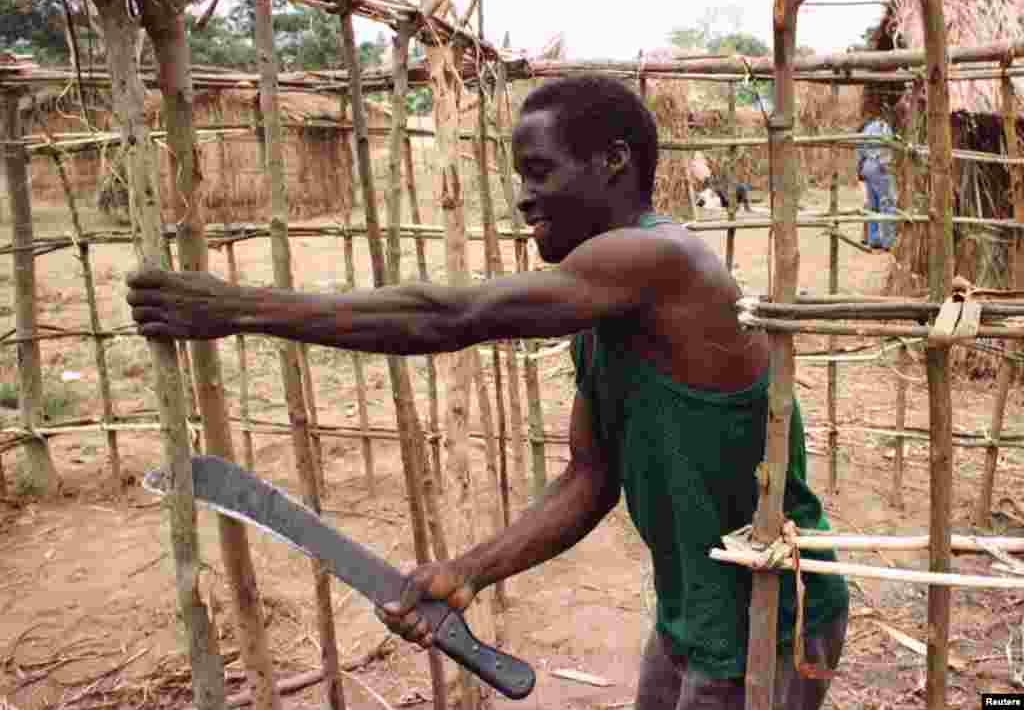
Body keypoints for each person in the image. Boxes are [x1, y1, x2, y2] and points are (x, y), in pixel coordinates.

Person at [127, 76, 849, 710]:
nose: (521, 196)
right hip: (694, 613)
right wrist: (468, 571)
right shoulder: (607, 312)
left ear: (615, 161)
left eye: (539, 170)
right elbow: (591, 477)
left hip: (771, 614)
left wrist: (237, 308)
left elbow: (452, 316)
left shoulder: (664, 260)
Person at [856, 105, 897, 251]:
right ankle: (889, 241)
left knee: (873, 204)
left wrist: (859, 170)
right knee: (887, 203)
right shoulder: (883, 126)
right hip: (879, 166)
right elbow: (886, 148)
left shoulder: (866, 129)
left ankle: (873, 239)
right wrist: (885, 164)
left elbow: (859, 151)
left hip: (867, 166)